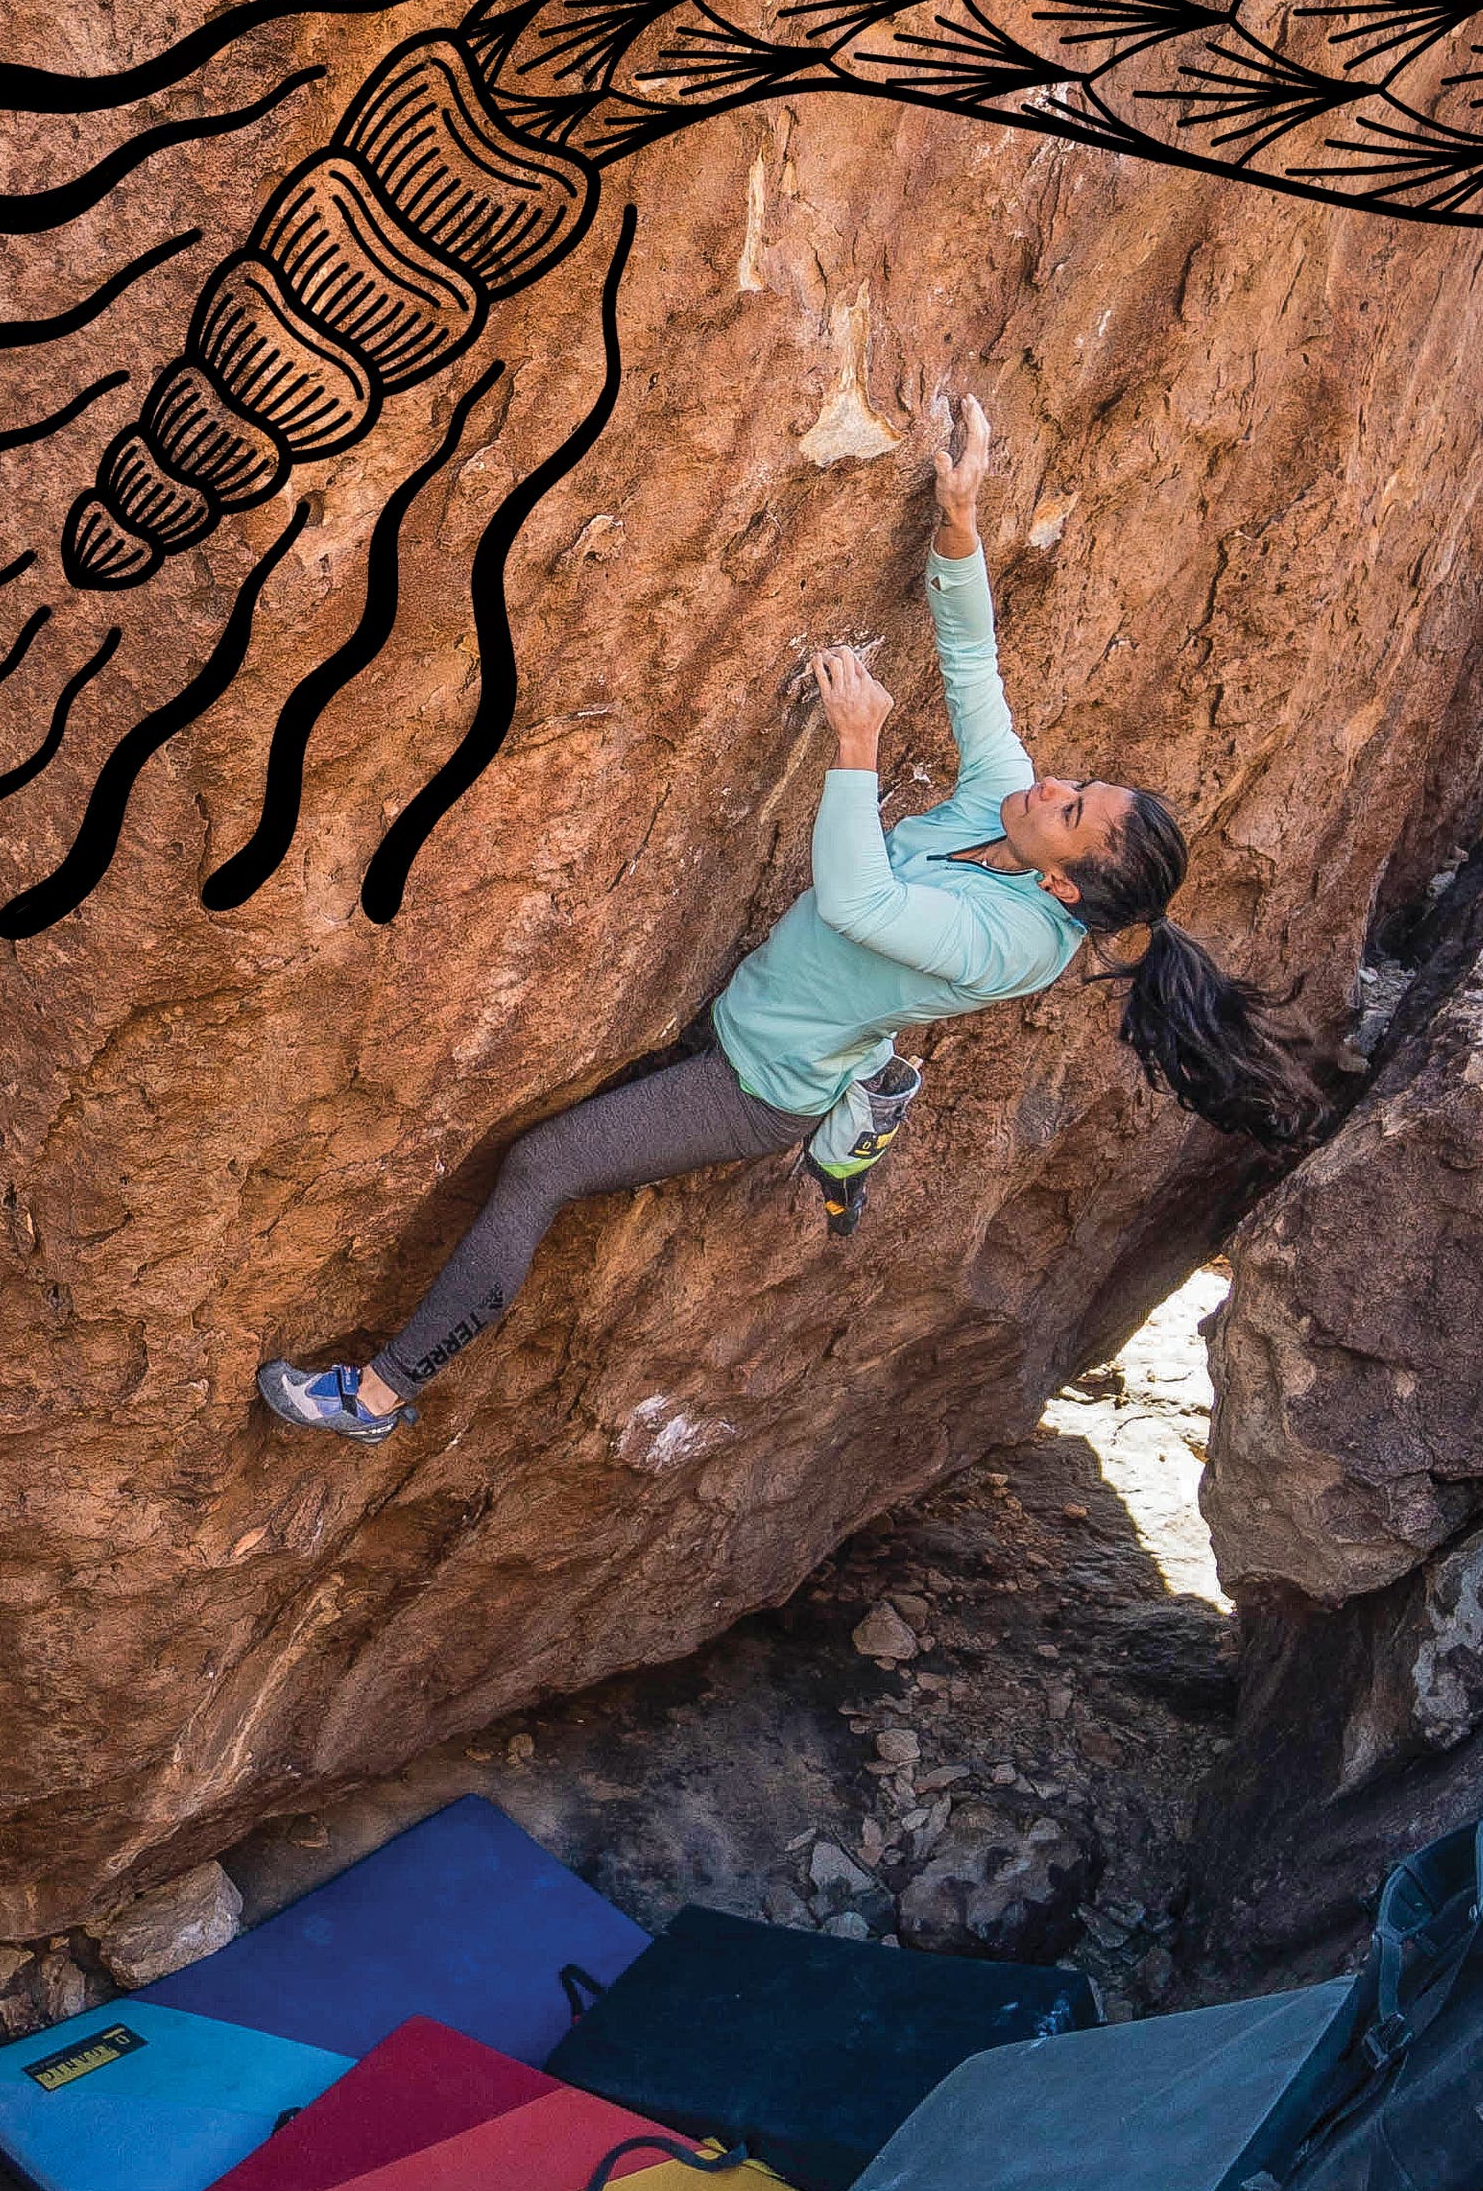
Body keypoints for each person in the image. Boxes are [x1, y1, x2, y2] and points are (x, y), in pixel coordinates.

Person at [254, 384, 1320, 1442]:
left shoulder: (1017, 946)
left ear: (1065, 884)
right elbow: (973, 663)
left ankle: (376, 1397)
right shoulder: (1006, 804)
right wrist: (960, 519)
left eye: (1073, 810)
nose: (1054, 785)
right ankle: (862, 1108)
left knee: (544, 1167)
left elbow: (858, 903)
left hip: (752, 1083)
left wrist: (856, 743)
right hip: (752, 1004)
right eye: (1078, 783)